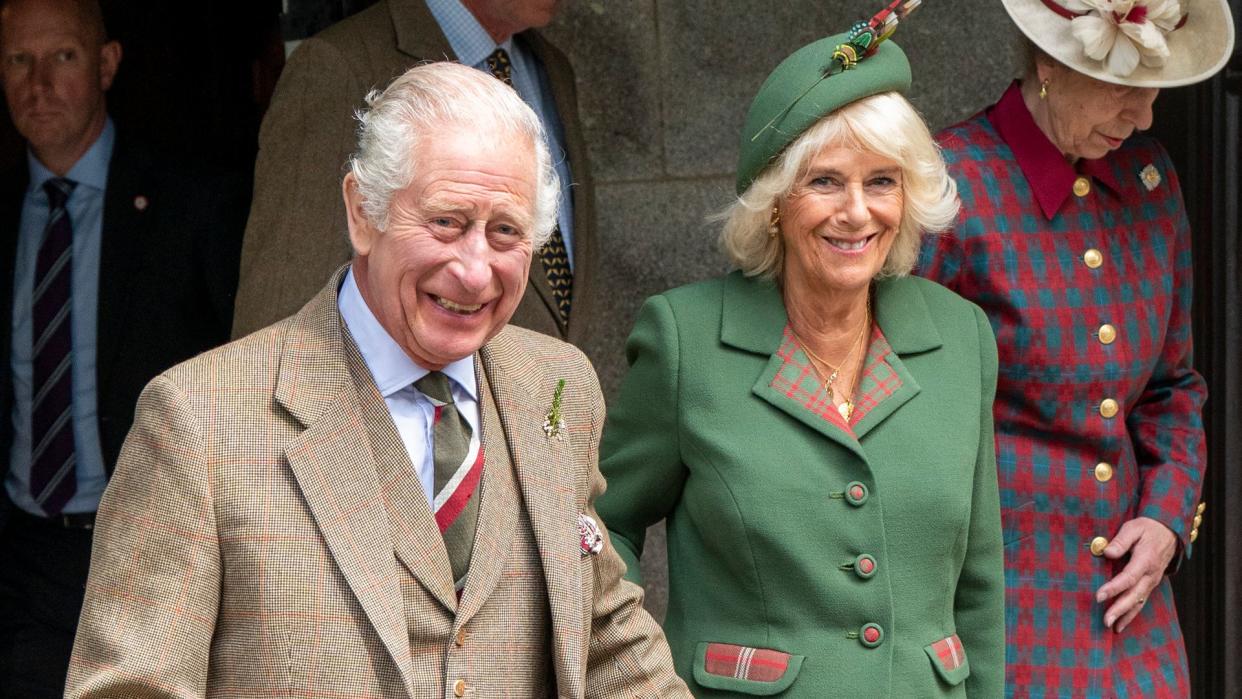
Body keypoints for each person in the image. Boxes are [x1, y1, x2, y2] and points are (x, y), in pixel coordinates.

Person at [66, 61, 689, 698]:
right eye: (447, 221)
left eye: (505, 231)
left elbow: (605, 633)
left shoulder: (558, 387)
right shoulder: (198, 419)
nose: (475, 271)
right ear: (362, 213)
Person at [595, 18, 1006, 697]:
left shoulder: (960, 338)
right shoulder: (686, 340)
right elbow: (605, 529)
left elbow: (979, 580)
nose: (857, 211)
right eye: (825, 182)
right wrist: (634, 678)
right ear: (776, 202)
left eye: (881, 181)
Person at [917, 0, 1233, 695]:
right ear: (1048, 67)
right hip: (1004, 608)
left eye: (1154, 91)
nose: (1144, 117)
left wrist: (1167, 516)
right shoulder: (947, 183)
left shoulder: (1151, 178)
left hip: (1133, 619)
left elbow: (1171, 387)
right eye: (1124, 88)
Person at [0, 0, 246, 695]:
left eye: (63, 57)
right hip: (27, 553)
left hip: (153, 546)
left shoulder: (191, 202)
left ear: (107, 64)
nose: (37, 82)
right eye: (18, 59)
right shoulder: (6, 209)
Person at [232, 0, 595, 347]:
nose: (475, 273)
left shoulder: (549, 66)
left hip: (528, 401)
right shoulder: (338, 64)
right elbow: (280, 302)